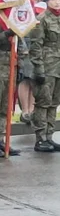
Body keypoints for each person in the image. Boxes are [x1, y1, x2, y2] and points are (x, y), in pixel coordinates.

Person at [27, 0, 60, 152]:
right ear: (47, 1)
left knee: (54, 103)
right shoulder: (41, 19)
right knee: (43, 103)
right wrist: (38, 69)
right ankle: (40, 139)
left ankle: (50, 136)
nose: (57, 2)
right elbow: (36, 46)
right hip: (47, 67)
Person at [0, 27, 18, 155]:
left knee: (5, 107)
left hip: (10, 66)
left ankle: (1, 140)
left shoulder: (11, 18)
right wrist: (7, 33)